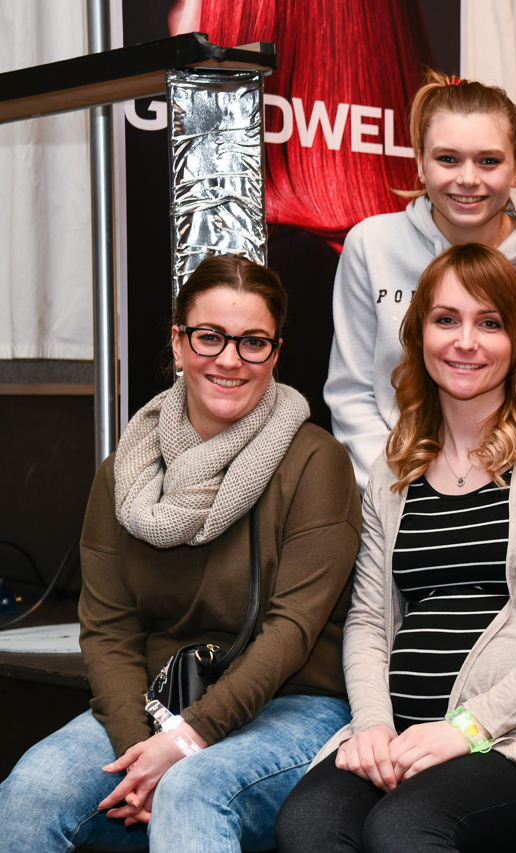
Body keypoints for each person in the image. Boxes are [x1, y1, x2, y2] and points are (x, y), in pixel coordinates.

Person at [0, 255, 361, 852]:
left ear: (275, 354)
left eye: (253, 342)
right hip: (157, 702)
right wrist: (137, 750)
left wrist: (185, 743)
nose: (229, 360)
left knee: (190, 789)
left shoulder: (315, 463)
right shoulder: (124, 474)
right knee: (30, 793)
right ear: (177, 342)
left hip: (291, 704)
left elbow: (290, 632)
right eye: (209, 336)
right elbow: (109, 630)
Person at [276, 244, 516, 853]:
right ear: (418, 335)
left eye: (489, 323)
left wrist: (469, 728)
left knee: (405, 829)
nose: (466, 342)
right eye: (446, 320)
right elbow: (369, 621)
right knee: (307, 825)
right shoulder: (394, 466)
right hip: (402, 735)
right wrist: (374, 726)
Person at [326, 68, 516, 490]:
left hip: (504, 478)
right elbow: (351, 392)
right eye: (448, 159)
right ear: (420, 164)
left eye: (488, 161)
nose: (468, 178)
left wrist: (475, 486)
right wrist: (398, 486)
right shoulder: (370, 246)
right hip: (388, 478)